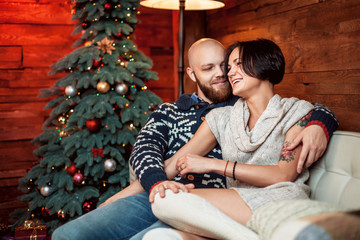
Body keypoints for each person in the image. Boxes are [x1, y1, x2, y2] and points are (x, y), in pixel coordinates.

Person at [51, 39, 338, 240]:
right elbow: (163, 158)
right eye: (211, 68)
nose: (225, 73)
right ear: (191, 73)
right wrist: (117, 199)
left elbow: (290, 159)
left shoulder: (293, 110)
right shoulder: (203, 116)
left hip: (230, 200)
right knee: (70, 235)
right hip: (174, 196)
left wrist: (321, 122)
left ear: (261, 64)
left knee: (160, 220)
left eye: (230, 65)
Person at [142, 39, 336, 240]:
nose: (230, 72)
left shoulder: (295, 112)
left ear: (263, 63)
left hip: (281, 198)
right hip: (238, 204)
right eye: (230, 66)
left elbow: (282, 175)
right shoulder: (221, 117)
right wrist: (150, 184)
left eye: (239, 64)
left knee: (168, 202)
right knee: (159, 233)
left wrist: (213, 165)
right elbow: (176, 160)